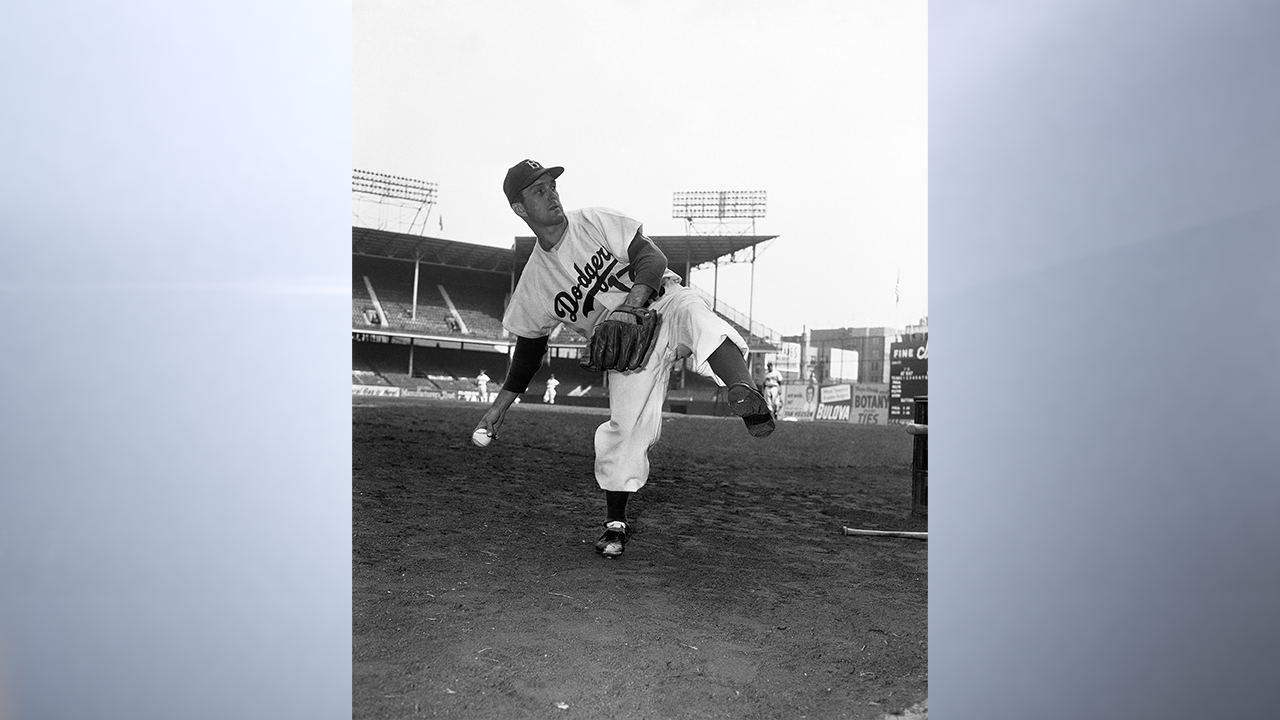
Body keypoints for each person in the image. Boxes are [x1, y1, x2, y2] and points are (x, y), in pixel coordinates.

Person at [474, 159, 775, 558]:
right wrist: (499, 406)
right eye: (539, 190)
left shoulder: (594, 220)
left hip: (661, 303)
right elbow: (530, 350)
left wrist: (632, 304)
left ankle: (745, 395)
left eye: (552, 185)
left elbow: (652, 258)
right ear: (520, 208)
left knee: (697, 315)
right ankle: (615, 524)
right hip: (627, 353)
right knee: (624, 429)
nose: (552, 194)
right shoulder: (534, 282)